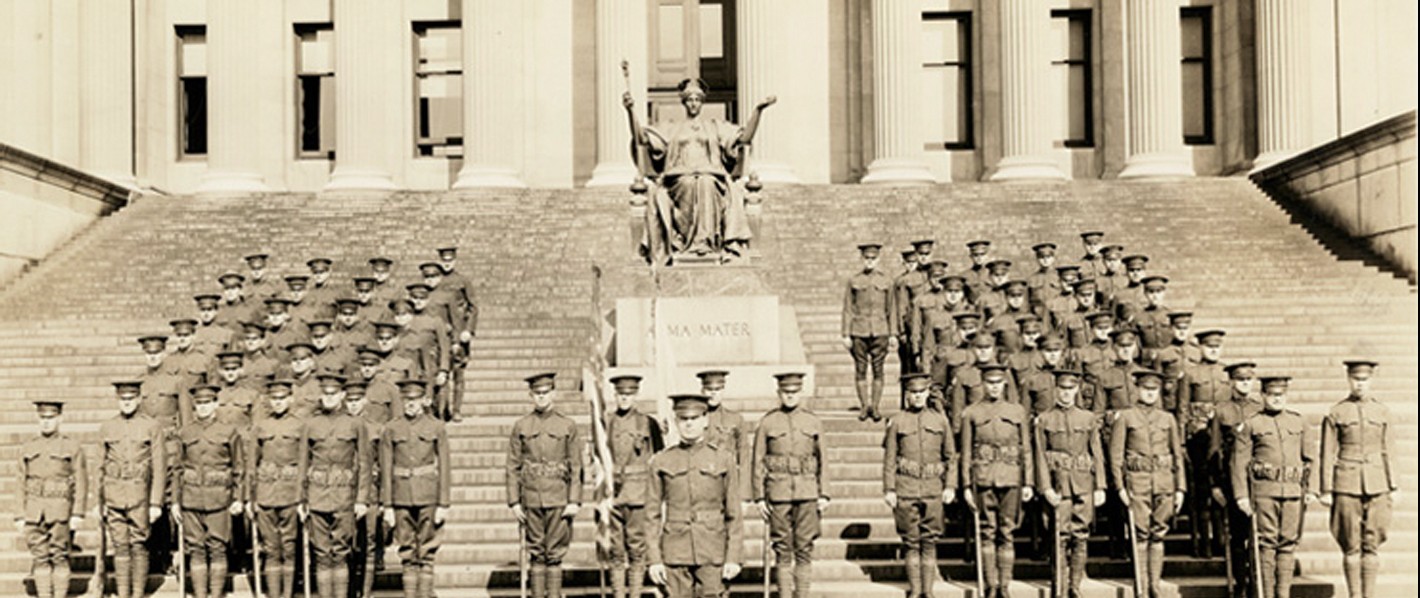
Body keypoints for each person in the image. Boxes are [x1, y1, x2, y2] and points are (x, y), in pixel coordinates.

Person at [625, 78, 776, 264]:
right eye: (690, 99)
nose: (693, 103)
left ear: (702, 102)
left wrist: (758, 110)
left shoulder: (714, 127)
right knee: (690, 182)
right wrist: (630, 111)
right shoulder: (671, 128)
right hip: (678, 179)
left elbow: (744, 138)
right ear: (684, 102)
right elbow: (641, 139)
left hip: (711, 177)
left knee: (705, 182)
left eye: (697, 99)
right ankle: (690, 244)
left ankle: (704, 243)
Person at [646, 394, 744, 598]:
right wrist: (654, 559)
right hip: (675, 552)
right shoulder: (661, 461)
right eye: (683, 419)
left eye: (694, 418)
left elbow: (734, 513)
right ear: (676, 421)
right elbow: (651, 515)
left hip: (712, 549)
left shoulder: (723, 459)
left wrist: (733, 556)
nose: (689, 424)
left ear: (705, 420)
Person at [1320, 360, 1400, 598]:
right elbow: (1326, 453)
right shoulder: (1337, 412)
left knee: (1372, 543)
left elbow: (1390, 449)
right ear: (1348, 380)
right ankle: (1355, 595)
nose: (1360, 384)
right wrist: (1326, 489)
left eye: (1364, 380)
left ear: (1371, 380)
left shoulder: (1382, 411)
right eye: (1356, 379)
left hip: (1377, 483)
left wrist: (1393, 484)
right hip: (1346, 483)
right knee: (1351, 545)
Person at [1233, 376, 1318, 598]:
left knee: (1288, 544)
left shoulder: (1299, 422)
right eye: (1272, 395)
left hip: (1293, 491)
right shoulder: (1252, 424)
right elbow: (1239, 462)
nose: (1277, 399)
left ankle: (1283, 593)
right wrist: (1241, 495)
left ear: (1286, 396)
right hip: (1264, 492)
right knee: (1266, 544)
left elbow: (1311, 458)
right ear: (1263, 396)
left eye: (1280, 395)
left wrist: (1312, 489)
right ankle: (1267, 594)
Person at [751, 372, 828, 598]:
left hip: (807, 492)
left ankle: (802, 595)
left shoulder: (813, 421)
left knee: (804, 548)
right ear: (779, 393)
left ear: (800, 393)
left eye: (794, 392)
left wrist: (824, 494)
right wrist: (758, 497)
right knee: (782, 549)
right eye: (786, 393)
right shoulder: (767, 422)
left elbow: (823, 458)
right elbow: (757, 461)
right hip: (778, 493)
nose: (790, 397)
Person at [1109, 371, 1185, 598]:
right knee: (1140, 535)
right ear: (1138, 390)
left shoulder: (1167, 418)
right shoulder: (1125, 417)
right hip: (1137, 482)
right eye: (1146, 390)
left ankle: (1155, 585)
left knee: (1158, 534)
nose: (1150, 394)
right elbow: (1116, 456)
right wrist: (1120, 487)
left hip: (1164, 483)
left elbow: (1177, 455)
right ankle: (1141, 587)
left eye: (1154, 390)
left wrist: (1180, 488)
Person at [960, 364, 1033, 598]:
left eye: (998, 383)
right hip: (982, 478)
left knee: (1007, 532)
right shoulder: (971, 412)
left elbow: (1027, 449)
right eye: (989, 383)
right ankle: (991, 584)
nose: (993, 387)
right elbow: (966, 451)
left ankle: (1004, 584)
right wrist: (965, 486)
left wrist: (1029, 482)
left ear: (1004, 384)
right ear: (983, 384)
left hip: (1012, 477)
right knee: (987, 531)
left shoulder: (1017, 411)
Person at [506, 373, 583, 598]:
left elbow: (576, 466)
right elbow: (512, 466)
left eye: (546, 393)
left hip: (559, 497)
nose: (541, 397)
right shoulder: (521, 426)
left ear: (554, 393)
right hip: (531, 497)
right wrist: (513, 502)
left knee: (555, 554)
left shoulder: (567, 425)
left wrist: (574, 500)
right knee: (536, 552)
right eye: (537, 393)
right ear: (531, 395)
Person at [882, 373, 957, 598]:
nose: (917, 397)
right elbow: (890, 459)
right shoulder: (897, 421)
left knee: (930, 540)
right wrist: (889, 489)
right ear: (907, 394)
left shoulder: (940, 421)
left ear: (927, 393)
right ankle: (915, 590)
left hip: (933, 488)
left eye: (921, 392)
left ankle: (928, 590)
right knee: (911, 541)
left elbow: (950, 457)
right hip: (906, 488)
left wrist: (950, 486)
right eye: (913, 393)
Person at [1034, 370, 1106, 598]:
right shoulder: (1044, 420)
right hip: (1058, 486)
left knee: (1081, 535)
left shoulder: (1087, 418)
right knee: (1059, 535)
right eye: (1062, 389)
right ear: (1056, 390)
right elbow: (1039, 456)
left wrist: (1100, 487)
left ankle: (1075, 585)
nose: (1066, 394)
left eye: (1070, 389)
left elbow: (1097, 453)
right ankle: (1059, 585)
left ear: (1076, 390)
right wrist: (1045, 488)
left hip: (1083, 483)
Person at [175, 385, 246, 598]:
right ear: (194, 405)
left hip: (219, 498)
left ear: (215, 404)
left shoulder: (229, 431)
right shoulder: (185, 432)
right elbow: (178, 469)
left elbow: (239, 467)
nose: (203, 407)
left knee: (217, 547)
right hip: (191, 498)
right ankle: (199, 594)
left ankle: (215, 594)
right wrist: (175, 502)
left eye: (208, 402)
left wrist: (238, 497)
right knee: (195, 548)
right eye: (199, 403)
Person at [382, 379, 451, 598]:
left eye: (415, 399)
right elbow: (386, 469)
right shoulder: (391, 428)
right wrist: (388, 505)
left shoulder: (436, 426)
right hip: (401, 496)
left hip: (429, 495)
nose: (411, 404)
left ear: (423, 400)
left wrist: (444, 503)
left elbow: (445, 466)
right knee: (407, 552)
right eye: (407, 400)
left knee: (427, 552)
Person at [98, 381, 167, 598]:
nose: (126, 403)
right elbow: (99, 467)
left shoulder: (151, 426)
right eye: (122, 399)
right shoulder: (107, 427)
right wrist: (98, 503)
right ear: (117, 400)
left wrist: (155, 503)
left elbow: (159, 466)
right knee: (120, 546)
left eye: (130, 399)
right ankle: (122, 593)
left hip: (140, 495)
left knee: (139, 545)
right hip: (114, 494)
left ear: (138, 399)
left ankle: (137, 594)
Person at [305, 374, 371, 598]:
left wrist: (362, 499)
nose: (329, 398)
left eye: (333, 393)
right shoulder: (311, 424)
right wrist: (301, 499)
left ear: (342, 395)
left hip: (344, 495)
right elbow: (304, 462)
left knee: (341, 552)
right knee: (322, 553)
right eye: (325, 393)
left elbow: (364, 463)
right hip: (316, 495)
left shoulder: (356, 424)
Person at [599, 375, 665, 598]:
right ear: (614, 395)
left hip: (639, 495)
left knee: (637, 551)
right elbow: (599, 458)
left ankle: (635, 594)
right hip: (613, 496)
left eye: (629, 394)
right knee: (616, 551)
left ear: (636, 395)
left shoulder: (648, 423)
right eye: (620, 394)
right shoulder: (606, 423)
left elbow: (659, 459)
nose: (624, 398)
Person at [15, 400, 88, 598]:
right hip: (34, 510)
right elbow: (20, 481)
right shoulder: (28, 447)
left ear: (59, 419)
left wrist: (78, 512)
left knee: (60, 557)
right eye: (42, 418)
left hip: (60, 510)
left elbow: (82, 481)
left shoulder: (71, 447)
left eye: (50, 418)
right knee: (40, 558)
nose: (46, 422)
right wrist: (19, 515)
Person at [247, 379, 306, 598]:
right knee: (270, 548)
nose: (278, 403)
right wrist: (249, 498)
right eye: (274, 399)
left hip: (290, 493)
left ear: (290, 399)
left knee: (289, 547)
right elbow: (251, 464)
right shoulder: (260, 426)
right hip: (265, 493)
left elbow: (304, 463)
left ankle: (287, 594)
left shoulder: (300, 426)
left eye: (282, 398)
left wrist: (302, 498)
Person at [1211, 361, 1264, 595]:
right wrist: (1215, 485)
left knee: (1259, 536)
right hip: (1232, 481)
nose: (1245, 384)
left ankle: (1257, 583)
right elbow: (1214, 450)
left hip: (1260, 481)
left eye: (1248, 379)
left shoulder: (1261, 407)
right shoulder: (1222, 410)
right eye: (1240, 379)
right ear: (1232, 382)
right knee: (1238, 537)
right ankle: (1240, 585)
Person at [842, 242, 899, 422]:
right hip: (859, 331)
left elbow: (892, 309)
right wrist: (845, 333)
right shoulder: (854, 280)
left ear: (878, 259)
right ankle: (863, 405)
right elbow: (847, 308)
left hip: (880, 331)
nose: (870, 261)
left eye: (873, 258)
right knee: (860, 369)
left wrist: (893, 334)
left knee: (878, 370)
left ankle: (875, 406)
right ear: (862, 259)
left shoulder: (886, 281)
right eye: (867, 258)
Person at [345, 381, 387, 598]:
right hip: (342, 491)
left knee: (368, 543)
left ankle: (367, 591)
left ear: (365, 401)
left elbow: (383, 465)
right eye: (349, 401)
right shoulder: (340, 425)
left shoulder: (376, 429)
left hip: (370, 491)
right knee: (346, 544)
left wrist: (382, 498)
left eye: (356, 401)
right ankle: (350, 591)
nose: (353, 405)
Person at [435, 246, 479, 422]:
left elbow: (474, 307)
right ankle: (442, 408)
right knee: (441, 371)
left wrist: (468, 330)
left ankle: (457, 409)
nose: (447, 264)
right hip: (441, 334)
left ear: (454, 260)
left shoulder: (463, 281)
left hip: (459, 332)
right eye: (444, 260)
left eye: (450, 260)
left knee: (458, 374)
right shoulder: (434, 281)